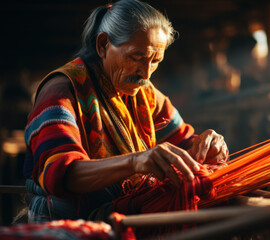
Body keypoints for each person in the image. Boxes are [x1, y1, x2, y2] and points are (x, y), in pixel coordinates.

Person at [24, 0, 228, 223]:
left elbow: (185, 142)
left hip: (124, 217)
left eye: (155, 61)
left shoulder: (145, 93)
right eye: (136, 57)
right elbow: (61, 173)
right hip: (69, 223)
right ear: (103, 45)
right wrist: (135, 162)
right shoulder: (62, 91)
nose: (146, 73)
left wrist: (205, 146)